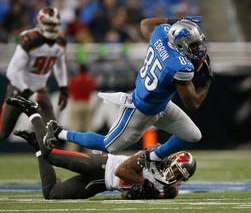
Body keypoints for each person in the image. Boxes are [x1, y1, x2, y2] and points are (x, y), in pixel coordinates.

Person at [44, 16, 212, 185]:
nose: (198, 49)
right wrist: (207, 81)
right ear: (181, 44)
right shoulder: (179, 66)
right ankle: (59, 133)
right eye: (193, 45)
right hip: (140, 109)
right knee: (108, 145)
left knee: (192, 135)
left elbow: (145, 23)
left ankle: (151, 158)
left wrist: (175, 20)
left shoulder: (162, 34)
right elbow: (193, 104)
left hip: (160, 105)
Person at [6, 95, 197, 200]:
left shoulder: (170, 191)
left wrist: (133, 194)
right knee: (51, 156)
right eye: (176, 171)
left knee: (51, 194)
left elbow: (126, 192)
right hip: (102, 165)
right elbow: (122, 171)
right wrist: (141, 183)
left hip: (102, 184)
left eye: (180, 177)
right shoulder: (155, 154)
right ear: (171, 160)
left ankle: (36, 144)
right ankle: (33, 112)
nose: (175, 177)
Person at [0, 6, 69, 139]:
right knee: (3, 132)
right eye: (48, 24)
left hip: (40, 89)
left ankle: (47, 157)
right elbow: (12, 70)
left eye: (54, 24)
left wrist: (63, 88)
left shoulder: (61, 40)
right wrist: (24, 89)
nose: (51, 28)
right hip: (19, 87)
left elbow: (60, 64)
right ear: (40, 23)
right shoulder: (31, 40)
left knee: (52, 131)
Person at [66, 64, 96, 151]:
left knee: (74, 128)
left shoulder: (74, 79)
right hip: (87, 104)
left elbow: (69, 89)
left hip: (77, 104)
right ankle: (91, 150)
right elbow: (93, 88)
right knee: (89, 128)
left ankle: (72, 150)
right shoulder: (90, 79)